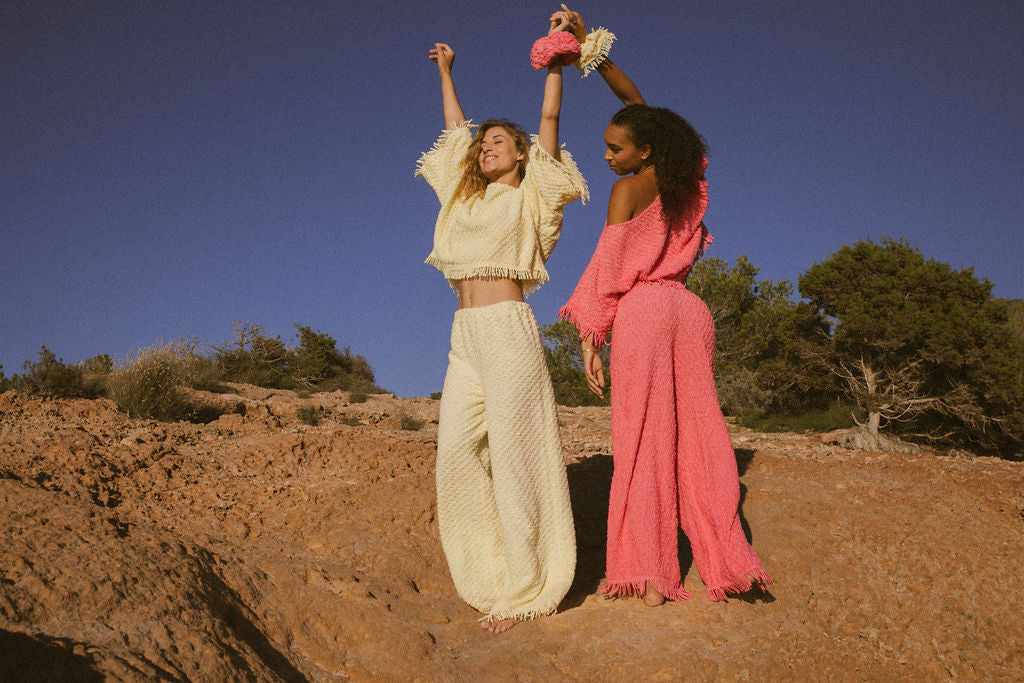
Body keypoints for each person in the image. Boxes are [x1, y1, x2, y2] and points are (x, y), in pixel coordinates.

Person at [557, 6, 772, 606]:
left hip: (647, 314)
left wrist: (589, 338)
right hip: (689, 311)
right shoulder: (687, 181)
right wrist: (586, 45)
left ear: (643, 152)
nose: (606, 157)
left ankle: (650, 573)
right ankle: (728, 564)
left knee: (643, 438)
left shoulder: (626, 191)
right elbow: (639, 104)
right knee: (702, 437)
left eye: (613, 148)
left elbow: (608, 270)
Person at [414, 14, 587, 633]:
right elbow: (455, 133)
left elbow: (548, 127)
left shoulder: (530, 196)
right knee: (458, 451)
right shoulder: (461, 199)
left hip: (509, 327)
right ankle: (489, 574)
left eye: (497, 143)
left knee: (517, 454)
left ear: (519, 156)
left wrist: (557, 71)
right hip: (464, 338)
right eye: (483, 144)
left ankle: (528, 587)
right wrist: (445, 72)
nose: (486, 148)